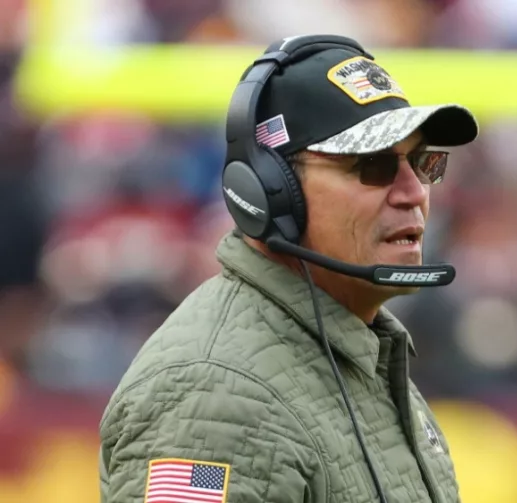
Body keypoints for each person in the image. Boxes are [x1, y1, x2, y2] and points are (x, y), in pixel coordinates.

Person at [99, 34, 478, 503]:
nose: (414, 192)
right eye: (373, 165)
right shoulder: (217, 394)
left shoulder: (358, 350)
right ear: (271, 191)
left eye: (423, 163)